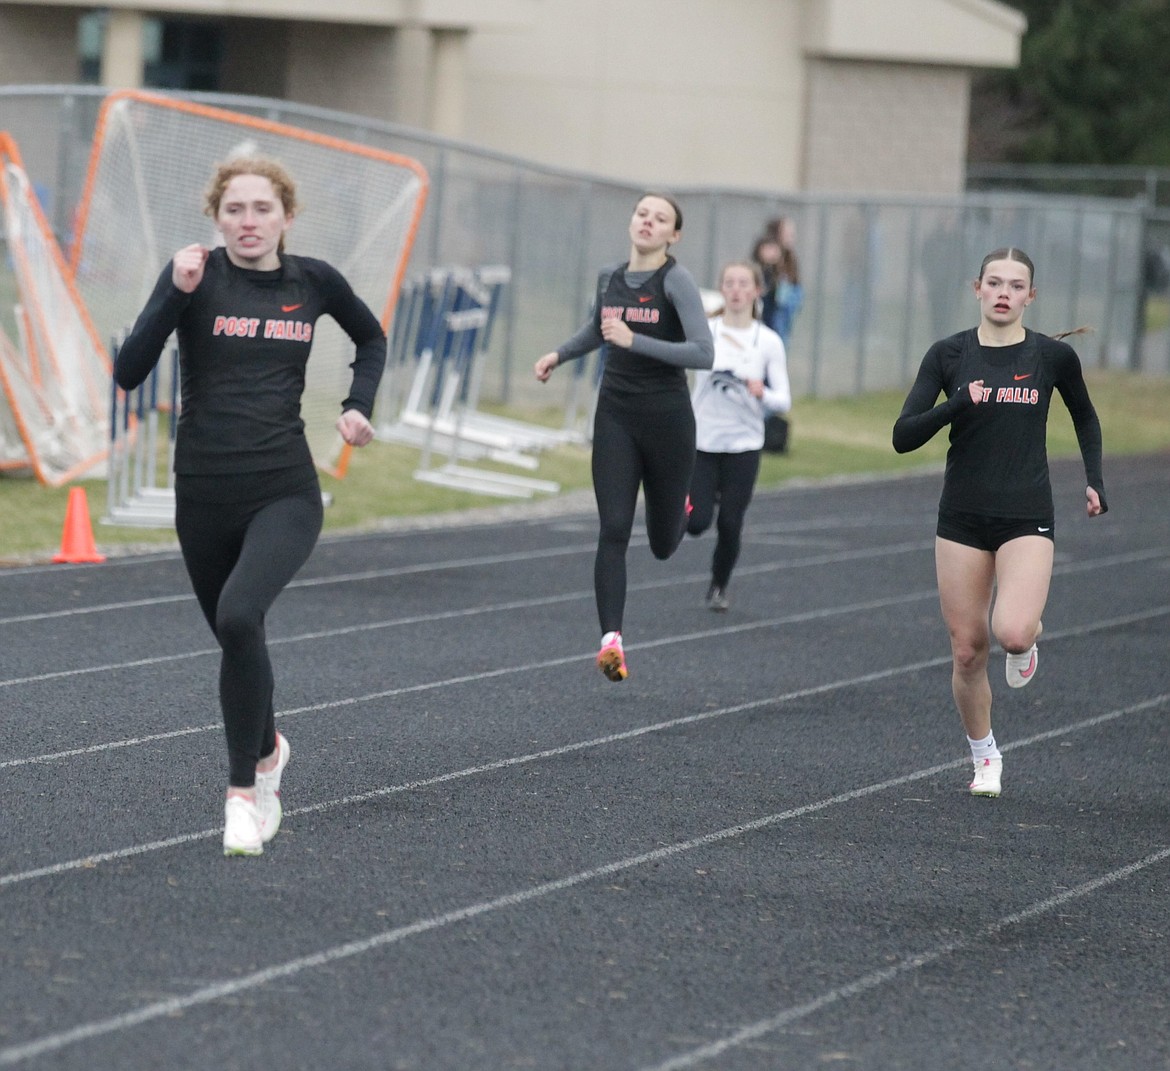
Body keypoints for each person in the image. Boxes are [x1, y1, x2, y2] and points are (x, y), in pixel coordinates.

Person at [114, 156, 387, 855]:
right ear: (216, 217)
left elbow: (371, 336)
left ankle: (245, 792)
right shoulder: (195, 275)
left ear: (286, 217)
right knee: (239, 637)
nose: (248, 221)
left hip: (284, 489)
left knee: (241, 613)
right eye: (234, 209)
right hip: (203, 491)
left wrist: (357, 407)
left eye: (262, 208)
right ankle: (268, 747)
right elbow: (128, 370)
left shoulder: (314, 281)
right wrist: (173, 295)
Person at [892, 247, 1107, 799]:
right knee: (967, 649)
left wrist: (1094, 479)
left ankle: (1030, 634)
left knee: (1011, 633)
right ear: (978, 289)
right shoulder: (948, 355)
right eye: (995, 282)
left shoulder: (1052, 358)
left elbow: (1084, 414)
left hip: (1026, 515)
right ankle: (985, 755)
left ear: (1030, 296)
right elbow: (903, 435)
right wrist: (956, 405)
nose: (1004, 292)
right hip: (961, 517)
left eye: (1016, 285)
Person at [534, 192, 714, 682]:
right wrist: (559, 354)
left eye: (660, 219)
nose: (648, 223)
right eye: (642, 214)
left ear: (673, 235)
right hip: (615, 414)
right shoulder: (609, 278)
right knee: (613, 527)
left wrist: (638, 342)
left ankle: (683, 508)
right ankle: (611, 640)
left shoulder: (675, 280)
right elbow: (599, 328)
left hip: (668, 420)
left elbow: (703, 352)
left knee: (661, 543)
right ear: (631, 222)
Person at [687, 261, 790, 611]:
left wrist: (763, 393)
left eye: (743, 283)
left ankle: (718, 585)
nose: (735, 290)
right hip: (703, 440)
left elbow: (784, 399)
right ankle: (685, 501)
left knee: (730, 522)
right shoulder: (704, 332)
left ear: (756, 291)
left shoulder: (768, 341)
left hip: (743, 445)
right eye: (728, 283)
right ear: (721, 289)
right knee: (697, 522)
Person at [751, 216, 802, 347]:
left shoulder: (789, 264)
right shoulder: (759, 270)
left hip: (781, 327)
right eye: (788, 233)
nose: (792, 237)